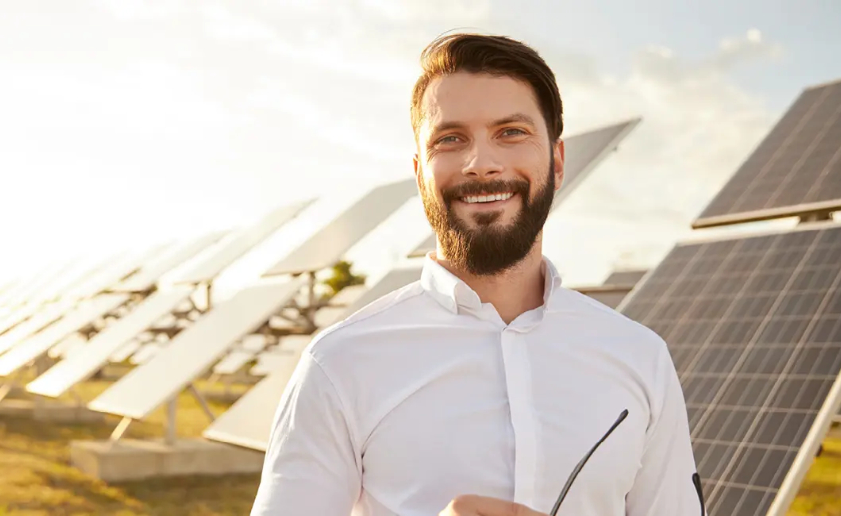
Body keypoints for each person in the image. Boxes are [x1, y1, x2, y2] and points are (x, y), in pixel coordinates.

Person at [249, 32, 705, 516]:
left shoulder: (640, 358)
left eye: (511, 132)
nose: (482, 164)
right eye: (450, 139)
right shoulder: (338, 365)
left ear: (557, 159)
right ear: (419, 172)